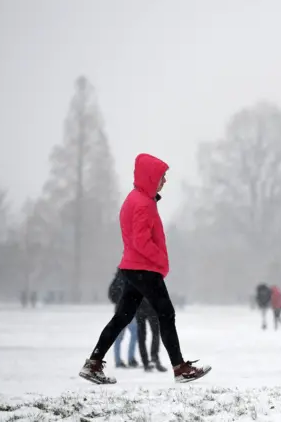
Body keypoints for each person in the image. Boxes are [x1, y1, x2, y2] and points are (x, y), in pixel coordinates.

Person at [79, 153, 211, 384]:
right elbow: (141, 242)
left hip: (132, 267)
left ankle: (93, 363)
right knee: (166, 313)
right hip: (144, 268)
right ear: (150, 177)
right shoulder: (142, 204)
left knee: (122, 317)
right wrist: (161, 260)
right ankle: (180, 368)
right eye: (162, 176)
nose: (165, 181)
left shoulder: (136, 199)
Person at [108, 270, 139, 368]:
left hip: (121, 310)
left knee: (120, 336)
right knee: (133, 333)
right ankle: (129, 359)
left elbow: (111, 296)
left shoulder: (117, 280)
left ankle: (119, 360)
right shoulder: (128, 279)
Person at [136, 298, 166, 372]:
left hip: (139, 307)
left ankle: (146, 362)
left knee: (142, 336)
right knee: (155, 333)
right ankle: (154, 358)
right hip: (150, 306)